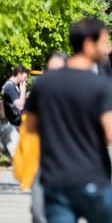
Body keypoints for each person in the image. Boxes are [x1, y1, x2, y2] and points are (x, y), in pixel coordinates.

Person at [25, 18, 112, 223]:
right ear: (88, 44)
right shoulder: (100, 86)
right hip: (93, 176)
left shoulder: (44, 83)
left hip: (55, 178)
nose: (109, 47)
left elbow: (31, 126)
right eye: (104, 41)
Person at [14, 52, 67, 223]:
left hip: (71, 161)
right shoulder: (40, 89)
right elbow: (27, 125)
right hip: (41, 159)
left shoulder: (76, 91)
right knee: (39, 212)